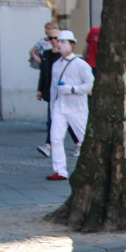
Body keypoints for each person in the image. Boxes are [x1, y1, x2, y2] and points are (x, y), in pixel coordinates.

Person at [46, 30, 92, 181]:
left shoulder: (80, 64)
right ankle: (60, 171)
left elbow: (90, 85)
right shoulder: (56, 65)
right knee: (55, 138)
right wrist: (52, 107)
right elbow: (53, 88)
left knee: (83, 138)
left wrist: (72, 89)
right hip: (60, 106)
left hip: (76, 107)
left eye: (63, 42)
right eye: (58, 41)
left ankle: (91, 169)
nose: (58, 44)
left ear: (72, 45)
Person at [34, 23, 62, 157]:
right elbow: (43, 73)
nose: (53, 41)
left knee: (70, 123)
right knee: (52, 120)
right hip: (50, 92)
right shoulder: (46, 54)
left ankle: (79, 143)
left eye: (56, 38)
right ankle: (48, 145)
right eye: (50, 38)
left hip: (63, 93)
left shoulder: (64, 57)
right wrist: (40, 89)